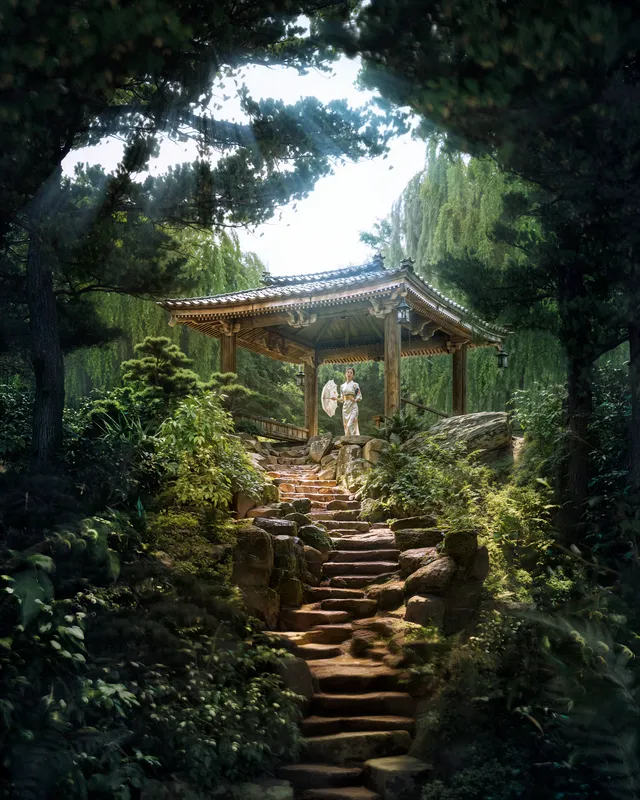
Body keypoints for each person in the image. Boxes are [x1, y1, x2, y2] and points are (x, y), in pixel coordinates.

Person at [338, 367, 362, 436]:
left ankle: (354, 439)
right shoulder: (342, 386)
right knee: (346, 427)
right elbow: (342, 399)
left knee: (350, 425)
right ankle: (349, 443)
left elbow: (359, 395)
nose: (349, 374)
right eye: (348, 372)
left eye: (351, 373)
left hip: (353, 406)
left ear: (353, 375)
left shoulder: (355, 385)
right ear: (345, 374)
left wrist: (355, 399)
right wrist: (335, 398)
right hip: (345, 408)